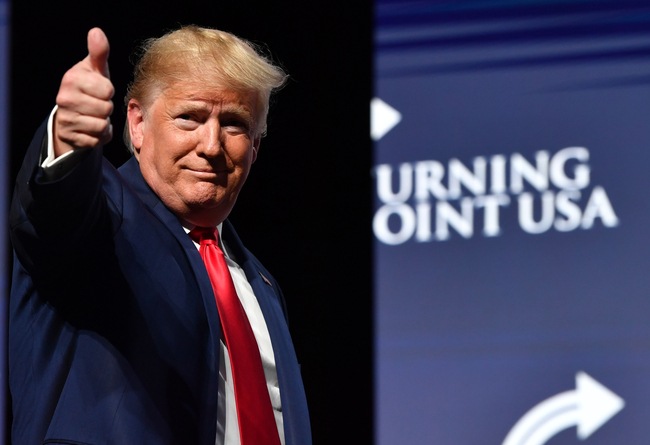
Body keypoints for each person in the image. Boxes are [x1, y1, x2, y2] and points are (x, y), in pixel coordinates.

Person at [9, 26, 311, 445]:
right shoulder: (103, 215)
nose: (211, 144)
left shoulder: (261, 285)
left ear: (256, 146)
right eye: (189, 117)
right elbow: (50, 216)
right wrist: (67, 139)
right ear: (137, 123)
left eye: (234, 124)